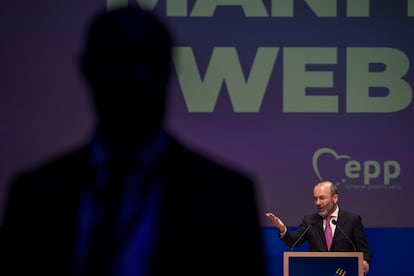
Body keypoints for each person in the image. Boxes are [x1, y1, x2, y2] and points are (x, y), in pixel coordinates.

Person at [0, 5, 266, 276]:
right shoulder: (34, 197)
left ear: (169, 71)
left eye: (151, 60)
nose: (137, 77)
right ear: (87, 68)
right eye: (120, 59)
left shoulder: (225, 199)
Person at [266, 180, 372, 275]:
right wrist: (283, 229)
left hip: (344, 272)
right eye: (315, 199)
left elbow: (364, 249)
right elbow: (293, 242)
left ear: (335, 198)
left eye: (322, 198)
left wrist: (365, 262)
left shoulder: (352, 219)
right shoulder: (310, 220)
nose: (318, 203)